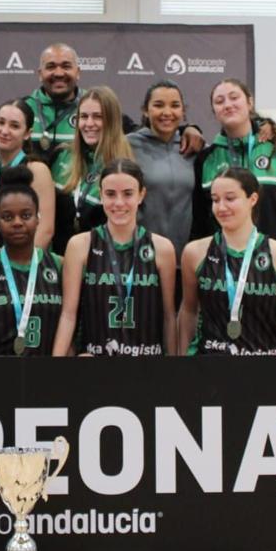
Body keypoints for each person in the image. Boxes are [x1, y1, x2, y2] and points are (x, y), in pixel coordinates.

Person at [0, 43, 204, 159]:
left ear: (78, 72)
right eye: (50, 67)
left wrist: (186, 128)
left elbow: (146, 132)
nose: (58, 73)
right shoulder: (22, 109)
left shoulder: (95, 109)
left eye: (66, 66)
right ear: (39, 73)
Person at [53, 159, 177, 357]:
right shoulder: (80, 246)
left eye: (128, 193)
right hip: (96, 365)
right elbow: (68, 314)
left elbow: (169, 317)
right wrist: (57, 369)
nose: (119, 203)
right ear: (101, 195)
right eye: (110, 194)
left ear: (141, 195)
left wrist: (175, 373)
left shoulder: (162, 248)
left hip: (147, 368)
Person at [180, 167, 276, 356]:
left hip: (261, 365)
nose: (221, 207)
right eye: (215, 200)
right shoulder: (194, 252)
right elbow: (188, 311)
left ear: (253, 199)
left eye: (230, 198)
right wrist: (183, 362)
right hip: (207, 366)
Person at [191, 78, 276, 245]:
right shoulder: (205, 160)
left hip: (275, 259)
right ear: (214, 111)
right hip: (222, 264)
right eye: (219, 101)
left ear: (250, 102)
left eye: (234, 97)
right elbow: (200, 222)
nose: (228, 104)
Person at [0, 166, 64, 357]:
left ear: (38, 219)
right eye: (7, 217)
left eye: (26, 215)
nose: (17, 222)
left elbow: (69, 330)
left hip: (49, 377)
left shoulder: (59, 265)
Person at [127, 79, 198, 266]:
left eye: (175, 105)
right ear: (145, 110)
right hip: (139, 259)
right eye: (158, 105)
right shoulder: (126, 146)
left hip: (185, 261)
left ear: (183, 112)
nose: (167, 112)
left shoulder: (195, 149)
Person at [57, 86, 135, 246]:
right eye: (83, 116)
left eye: (98, 116)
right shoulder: (61, 156)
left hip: (103, 265)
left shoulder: (126, 167)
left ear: (112, 120)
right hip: (60, 262)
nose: (89, 123)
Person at [0, 99, 55, 250]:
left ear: (27, 134)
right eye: (1, 122)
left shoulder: (36, 170)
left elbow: (46, 229)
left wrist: (23, 267)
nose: (4, 131)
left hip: (24, 267)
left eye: (14, 126)